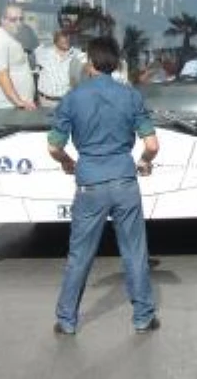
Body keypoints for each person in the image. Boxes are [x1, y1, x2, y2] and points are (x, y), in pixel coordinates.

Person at [47, 35, 160, 335]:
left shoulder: (73, 98)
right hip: (124, 179)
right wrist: (145, 162)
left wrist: (67, 162)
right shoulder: (131, 95)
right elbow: (152, 144)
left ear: (90, 63)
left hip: (89, 182)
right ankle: (143, 317)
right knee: (134, 251)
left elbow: (54, 147)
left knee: (80, 254)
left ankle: (67, 320)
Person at [0, 4, 36, 110]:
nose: (18, 23)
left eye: (21, 19)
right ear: (2, 20)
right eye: (13, 20)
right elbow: (1, 75)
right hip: (6, 106)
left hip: (19, 105)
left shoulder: (14, 39)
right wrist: (19, 102)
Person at [34, 30, 84, 107]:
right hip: (46, 102)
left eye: (69, 37)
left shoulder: (78, 55)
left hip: (68, 102)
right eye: (64, 37)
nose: (67, 39)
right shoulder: (43, 53)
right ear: (56, 40)